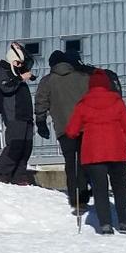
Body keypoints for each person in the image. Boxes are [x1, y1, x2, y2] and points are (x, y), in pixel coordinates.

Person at [65, 68, 126, 234]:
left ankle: (105, 224)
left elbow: (71, 131)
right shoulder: (118, 102)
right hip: (118, 152)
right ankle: (124, 222)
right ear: (108, 85)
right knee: (120, 187)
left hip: (93, 154)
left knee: (100, 189)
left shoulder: (83, 104)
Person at [34, 50, 92, 214]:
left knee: (70, 162)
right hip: (84, 127)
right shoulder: (82, 78)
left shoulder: (47, 81)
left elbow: (41, 102)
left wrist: (41, 122)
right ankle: (84, 192)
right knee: (83, 161)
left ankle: (75, 199)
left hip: (63, 128)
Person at [0, 43, 36, 185]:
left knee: (26, 146)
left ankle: (19, 175)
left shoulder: (15, 72)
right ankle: (0, 175)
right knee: (15, 145)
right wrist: (21, 78)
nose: (20, 65)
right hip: (14, 114)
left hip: (25, 115)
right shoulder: (3, 70)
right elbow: (6, 87)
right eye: (18, 62)